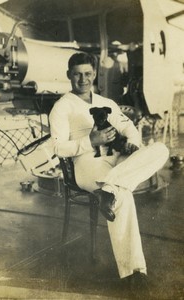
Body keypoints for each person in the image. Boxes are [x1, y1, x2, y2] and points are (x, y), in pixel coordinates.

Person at [49, 53, 169, 298]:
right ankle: (134, 273)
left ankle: (110, 188)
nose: (83, 79)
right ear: (69, 75)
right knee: (122, 196)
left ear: (94, 74)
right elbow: (58, 148)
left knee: (161, 149)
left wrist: (132, 146)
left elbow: (129, 128)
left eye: (88, 74)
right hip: (88, 163)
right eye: (77, 74)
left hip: (117, 159)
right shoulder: (62, 107)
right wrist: (89, 140)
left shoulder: (108, 103)